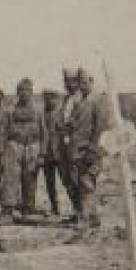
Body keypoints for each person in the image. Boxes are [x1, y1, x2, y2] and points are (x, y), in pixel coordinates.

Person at [67, 68, 110, 230]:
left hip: (89, 149)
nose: (82, 86)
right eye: (80, 83)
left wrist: (93, 150)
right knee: (82, 183)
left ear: (92, 82)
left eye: (85, 82)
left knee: (87, 183)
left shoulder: (98, 100)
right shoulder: (80, 101)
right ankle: (92, 217)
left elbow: (100, 127)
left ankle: (86, 218)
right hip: (78, 149)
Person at [0, 78, 45, 218]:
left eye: (27, 90)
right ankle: (8, 208)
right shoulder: (9, 110)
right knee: (10, 177)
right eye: (21, 90)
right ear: (17, 92)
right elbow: (2, 131)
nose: (24, 93)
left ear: (31, 92)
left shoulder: (38, 110)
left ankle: (28, 207)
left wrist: (42, 153)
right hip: (14, 146)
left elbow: (44, 132)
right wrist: (1, 151)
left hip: (32, 146)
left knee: (30, 177)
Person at [53, 69, 82, 214]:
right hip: (64, 142)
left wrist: (69, 125)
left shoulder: (82, 98)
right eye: (66, 82)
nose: (68, 84)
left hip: (76, 142)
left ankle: (83, 212)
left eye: (72, 81)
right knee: (67, 178)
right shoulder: (65, 99)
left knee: (77, 178)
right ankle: (76, 211)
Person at [40, 88, 65, 217]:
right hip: (47, 155)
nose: (49, 101)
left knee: (67, 181)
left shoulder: (61, 113)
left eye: (51, 98)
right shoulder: (42, 114)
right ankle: (55, 207)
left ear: (56, 99)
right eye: (46, 98)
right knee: (49, 183)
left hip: (60, 154)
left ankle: (78, 208)